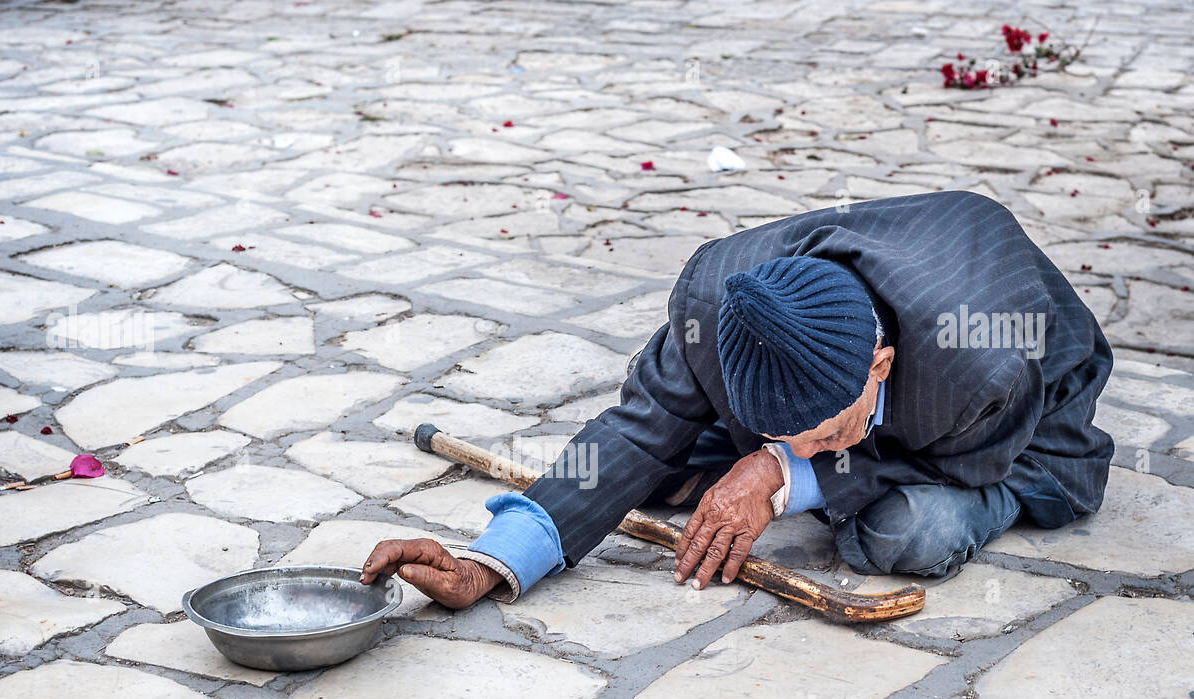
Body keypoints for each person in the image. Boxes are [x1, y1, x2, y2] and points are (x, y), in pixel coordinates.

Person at [359, 191, 1114, 609]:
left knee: (910, 533)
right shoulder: (721, 306)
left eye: (825, 435)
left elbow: (967, 461)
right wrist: (487, 563)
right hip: (887, 394)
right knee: (642, 468)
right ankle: (783, 464)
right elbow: (634, 429)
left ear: (881, 364)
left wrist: (781, 475)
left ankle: (800, 479)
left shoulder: (979, 368)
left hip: (1012, 440)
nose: (808, 445)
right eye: (783, 437)